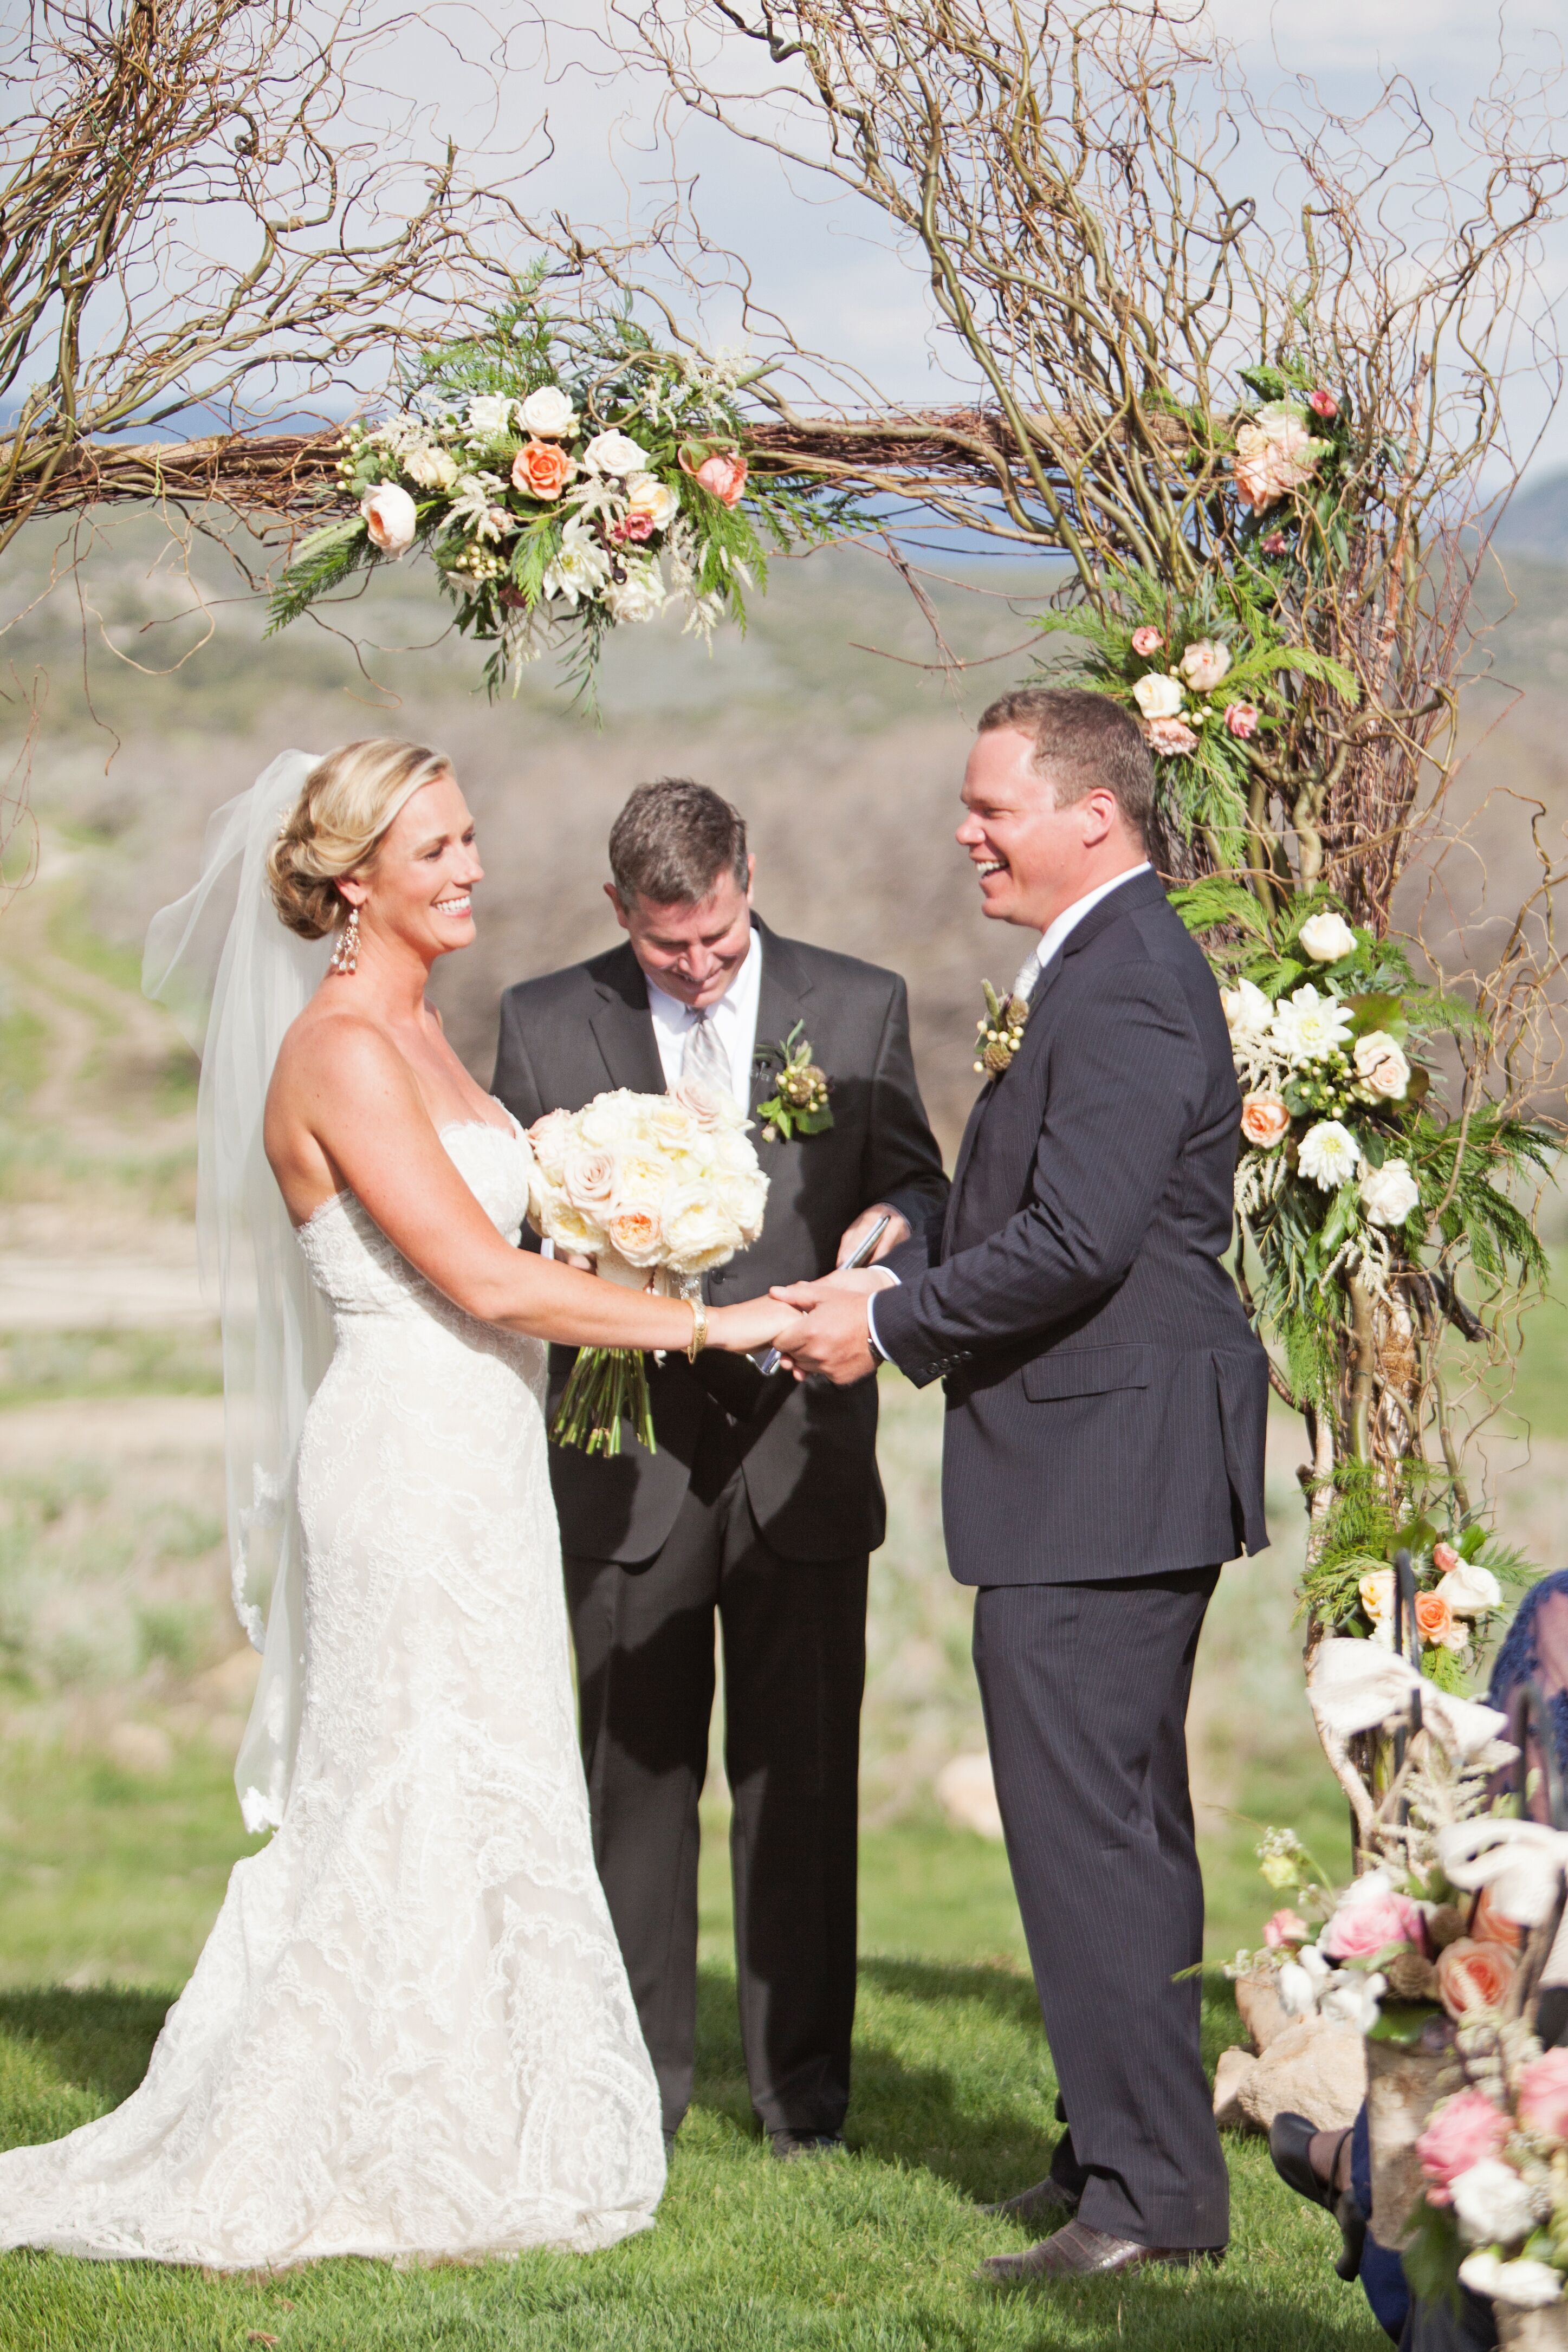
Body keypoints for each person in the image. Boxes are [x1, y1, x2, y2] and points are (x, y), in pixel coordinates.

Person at [0, 741, 788, 2270]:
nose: (470, 867)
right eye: (436, 847)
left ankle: (478, 2109)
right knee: (406, 1771)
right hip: (404, 1453)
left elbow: (511, 1241)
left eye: (471, 838)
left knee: (491, 1758)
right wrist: (717, 1321)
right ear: (353, 874)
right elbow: (484, 1278)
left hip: (482, 1443)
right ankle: (355, 2117)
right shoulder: (344, 1050)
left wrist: (635, 1222)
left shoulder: (422, 1029)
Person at [771, 688, 1271, 2280]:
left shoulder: (1123, 980)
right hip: (1108, 1454)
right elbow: (1056, 1202)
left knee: (1090, 1834)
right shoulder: (1102, 962)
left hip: (1103, 1463)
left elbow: (1086, 1241)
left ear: (1090, 815)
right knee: (1118, 1825)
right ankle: (1122, 2156)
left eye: (991, 805)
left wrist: (888, 1323)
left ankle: (1142, 2203)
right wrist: (919, 1237)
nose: (967, 830)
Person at [492, 777, 947, 2159]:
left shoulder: (857, 999)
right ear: (619, 909)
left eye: (719, 939)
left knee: (798, 1781)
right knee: (629, 1780)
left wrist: (890, 1226)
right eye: (665, 945)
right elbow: (507, 1226)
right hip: (627, 1452)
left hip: (803, 1450)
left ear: (748, 875)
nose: (696, 969)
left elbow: (921, 1185)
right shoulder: (540, 1018)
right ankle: (633, 2087)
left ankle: (803, 2101)